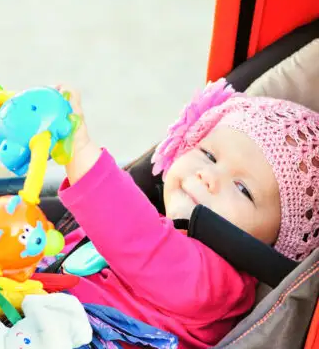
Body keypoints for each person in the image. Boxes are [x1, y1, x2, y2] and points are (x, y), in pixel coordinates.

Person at [49, 78, 319, 349]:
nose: (208, 176)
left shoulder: (218, 284)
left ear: (273, 245)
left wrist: (79, 149)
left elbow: (137, 239)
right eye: (209, 155)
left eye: (243, 189)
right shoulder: (154, 215)